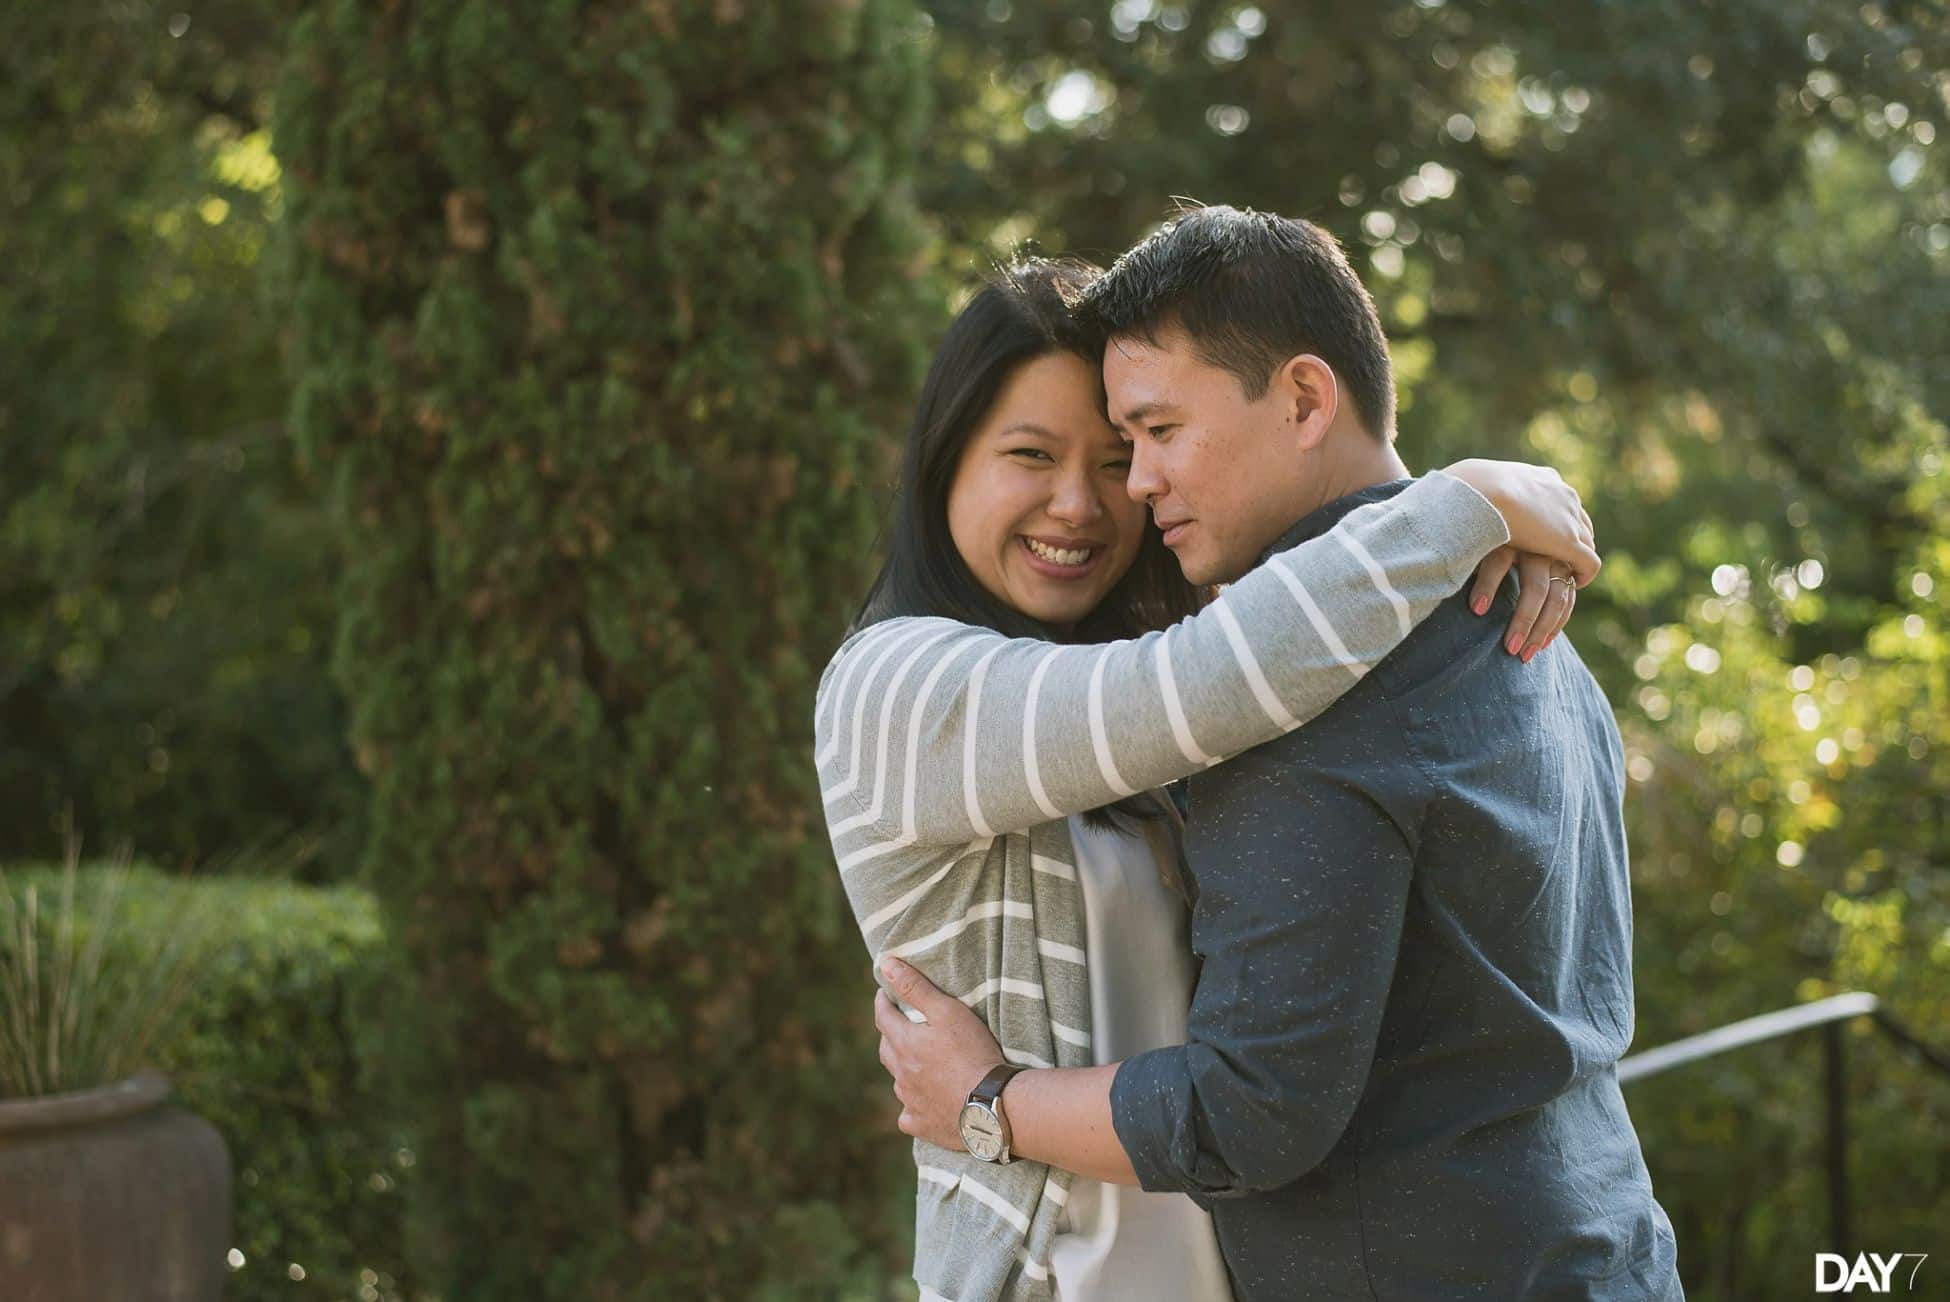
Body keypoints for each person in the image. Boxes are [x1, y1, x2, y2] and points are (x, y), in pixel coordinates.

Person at [871, 208, 1684, 1299]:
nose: (1133, 485)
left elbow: (1250, 1113)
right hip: (1608, 1248)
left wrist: (989, 1101)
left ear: (1304, 399)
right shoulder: (1520, 621)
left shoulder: (1297, 699)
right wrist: (1474, 501)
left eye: (1153, 434)